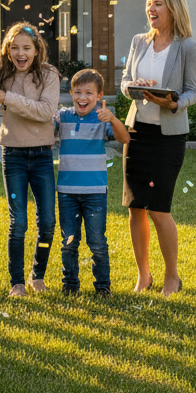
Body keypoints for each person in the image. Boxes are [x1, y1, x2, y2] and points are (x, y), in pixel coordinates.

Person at [120, 0, 196, 298]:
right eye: (149, 4)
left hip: (168, 136)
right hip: (137, 132)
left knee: (159, 208)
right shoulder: (138, 42)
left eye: (158, 5)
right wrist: (134, 86)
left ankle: (172, 277)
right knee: (135, 207)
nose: (151, 10)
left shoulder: (187, 47)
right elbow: (126, 81)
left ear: (173, 10)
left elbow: (194, 90)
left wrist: (173, 102)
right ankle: (144, 276)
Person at [0, 22, 60, 298]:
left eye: (26, 47)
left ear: (37, 50)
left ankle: (37, 275)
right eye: (14, 48)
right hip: (12, 154)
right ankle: (17, 283)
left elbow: (45, 111)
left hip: (41, 155)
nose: (20, 53)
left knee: (48, 221)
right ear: (7, 51)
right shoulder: (3, 75)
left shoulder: (49, 75)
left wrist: (7, 98)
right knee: (19, 223)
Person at [54, 69, 130, 296]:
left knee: (97, 242)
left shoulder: (101, 118)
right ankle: (70, 284)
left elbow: (125, 138)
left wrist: (113, 119)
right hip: (66, 191)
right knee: (69, 242)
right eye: (77, 92)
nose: (82, 97)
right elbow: (45, 133)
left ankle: (102, 286)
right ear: (71, 94)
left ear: (99, 96)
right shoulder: (62, 116)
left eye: (89, 93)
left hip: (95, 192)